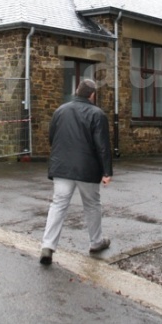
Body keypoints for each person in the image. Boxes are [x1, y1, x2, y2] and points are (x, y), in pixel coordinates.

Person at [40, 78, 113, 265]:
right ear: (92, 94)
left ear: (77, 91)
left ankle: (47, 246)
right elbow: (102, 146)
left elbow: (52, 137)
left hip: (61, 167)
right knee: (92, 204)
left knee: (58, 204)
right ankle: (96, 242)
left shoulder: (60, 111)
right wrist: (106, 172)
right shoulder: (97, 114)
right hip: (87, 169)